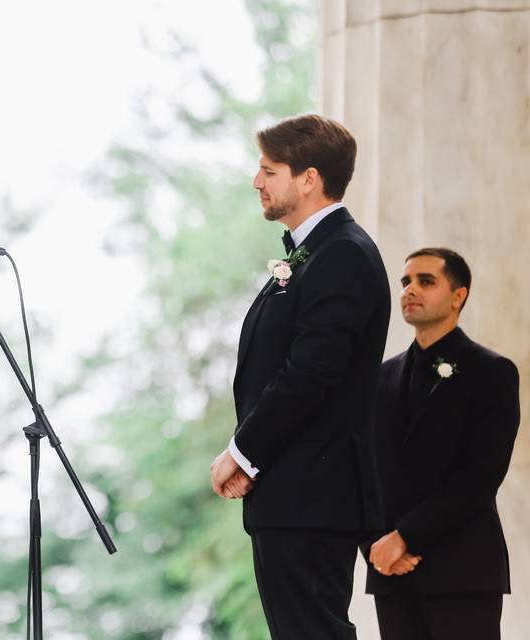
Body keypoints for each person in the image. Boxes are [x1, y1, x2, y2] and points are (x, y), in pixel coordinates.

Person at [210, 114, 390, 639]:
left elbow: (310, 375)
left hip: (312, 494)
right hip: (294, 492)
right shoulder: (316, 254)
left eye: (268, 170)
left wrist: (242, 452)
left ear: (308, 178)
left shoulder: (344, 255)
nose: (256, 181)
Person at [367, 248, 519, 640]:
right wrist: (377, 546)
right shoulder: (379, 379)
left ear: (458, 296)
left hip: (462, 571)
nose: (410, 290)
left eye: (425, 281)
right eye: (405, 282)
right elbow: (363, 471)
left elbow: (481, 476)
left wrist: (405, 538)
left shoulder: (493, 373)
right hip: (391, 576)